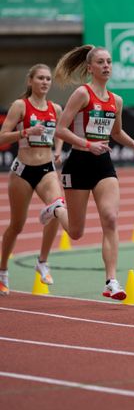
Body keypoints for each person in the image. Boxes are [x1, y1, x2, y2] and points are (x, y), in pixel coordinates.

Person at [40, 45, 134, 301]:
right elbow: (59, 129)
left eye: (109, 62)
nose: (106, 66)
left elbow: (116, 133)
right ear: (90, 68)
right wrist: (87, 144)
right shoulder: (82, 93)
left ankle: (111, 280)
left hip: (103, 165)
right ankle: (56, 208)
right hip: (78, 163)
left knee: (110, 218)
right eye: (101, 62)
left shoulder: (116, 100)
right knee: (76, 232)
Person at [0, 64, 69, 296]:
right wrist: (25, 133)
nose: (45, 82)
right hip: (22, 171)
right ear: (30, 81)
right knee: (17, 225)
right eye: (40, 78)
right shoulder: (20, 106)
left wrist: (58, 149)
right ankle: (2, 270)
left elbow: (60, 132)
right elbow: (1, 138)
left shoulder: (55, 108)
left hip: (47, 169)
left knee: (58, 209)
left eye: (48, 79)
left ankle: (42, 261)